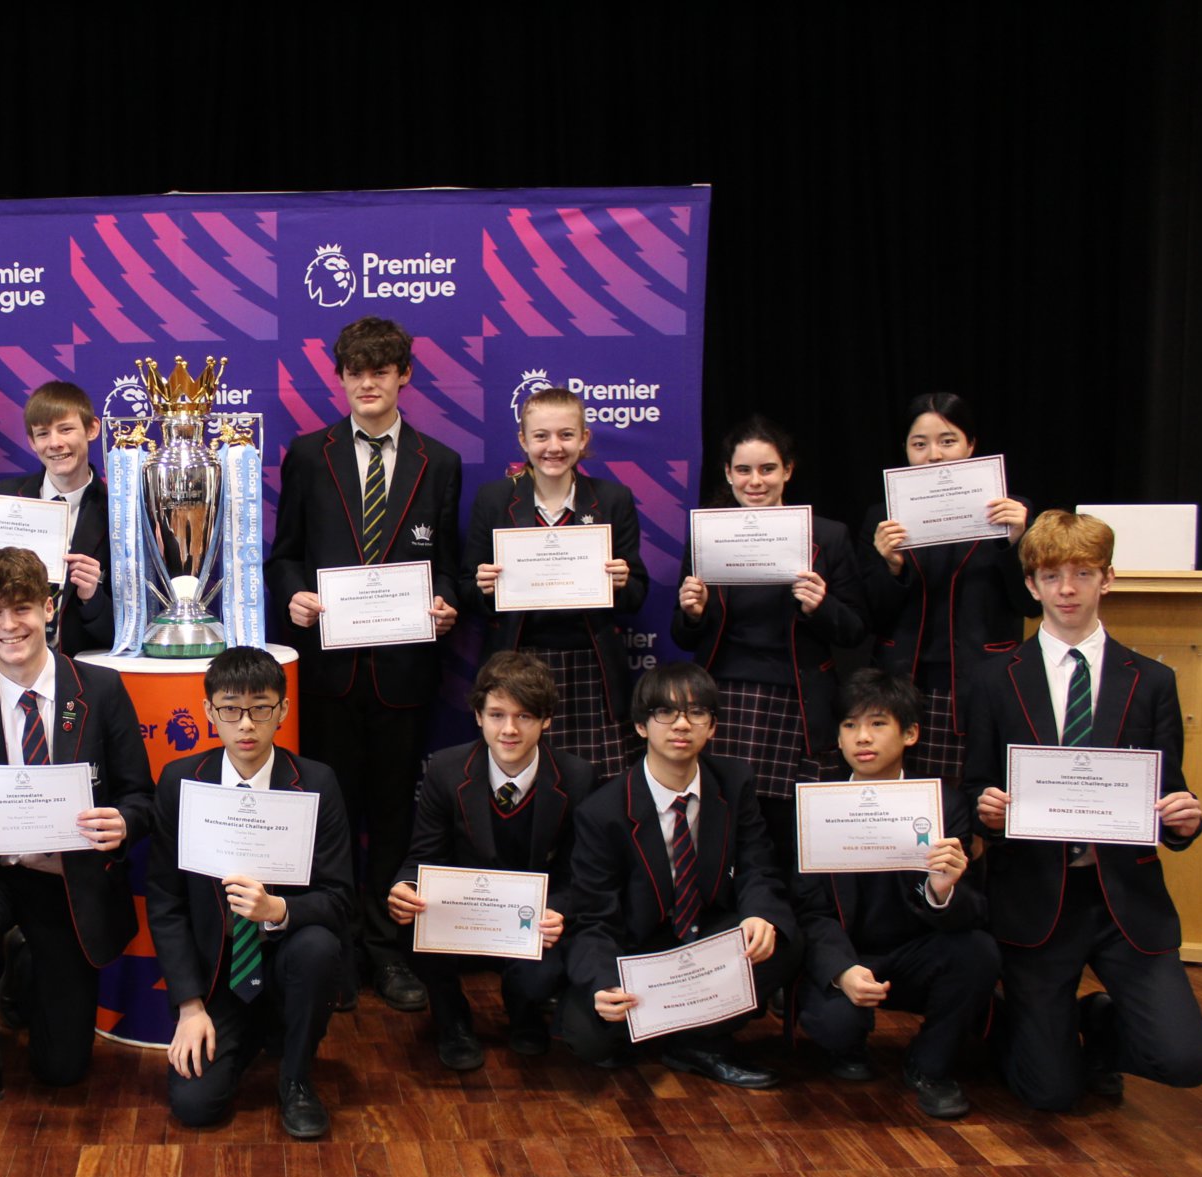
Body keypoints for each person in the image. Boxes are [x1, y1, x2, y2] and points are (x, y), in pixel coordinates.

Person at [967, 510, 1202, 1109]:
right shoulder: (994, 678)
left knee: (1186, 1061)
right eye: (1052, 576)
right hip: (1036, 896)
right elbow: (975, 784)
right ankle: (1024, 1029)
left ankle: (1100, 1019)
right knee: (1048, 1094)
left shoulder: (1151, 679)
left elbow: (1167, 791)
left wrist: (1185, 820)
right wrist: (985, 809)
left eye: (1082, 573)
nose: (1067, 589)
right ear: (1031, 585)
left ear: (1108, 579)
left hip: (1123, 896)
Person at [266, 315, 461, 1012]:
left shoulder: (439, 461)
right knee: (329, 816)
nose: (369, 382)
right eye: (356, 371)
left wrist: (444, 601)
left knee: (393, 817)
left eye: (382, 370)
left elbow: (452, 566)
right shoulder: (308, 454)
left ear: (404, 375)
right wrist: (293, 595)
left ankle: (387, 949)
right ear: (341, 377)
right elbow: (284, 551)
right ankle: (337, 947)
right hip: (328, 673)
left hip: (405, 671)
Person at [0, 548, 155, 1135]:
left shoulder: (100, 691)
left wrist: (124, 823)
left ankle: (28, 969)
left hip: (67, 881)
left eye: (24, 608)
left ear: (50, 609)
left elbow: (141, 796)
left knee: (63, 1072)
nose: (10, 625)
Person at [561, 662, 801, 1088]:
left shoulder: (733, 781)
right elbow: (594, 919)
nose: (682, 725)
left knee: (780, 939)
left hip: (706, 938)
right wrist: (602, 983)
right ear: (641, 726)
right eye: (665, 713)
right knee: (590, 1039)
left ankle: (689, 1038)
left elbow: (757, 865)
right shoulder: (602, 812)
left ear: (712, 727)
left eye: (697, 713)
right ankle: (694, 1032)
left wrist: (759, 912)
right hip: (642, 951)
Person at [148, 647, 352, 1139]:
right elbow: (166, 901)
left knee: (319, 945)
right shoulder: (181, 782)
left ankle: (296, 1078)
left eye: (261, 708)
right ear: (208, 712)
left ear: (282, 711)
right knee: (195, 1106)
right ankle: (247, 1038)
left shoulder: (315, 782)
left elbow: (340, 900)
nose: (246, 724)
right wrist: (190, 1006)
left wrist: (277, 909)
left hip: (286, 969)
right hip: (218, 979)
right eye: (230, 709)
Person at [792, 669, 996, 1119]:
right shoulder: (816, 804)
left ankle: (930, 1067)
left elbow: (977, 911)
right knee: (835, 1025)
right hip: (850, 954)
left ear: (910, 734)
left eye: (878, 723)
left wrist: (943, 891)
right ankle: (848, 1046)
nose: (862, 737)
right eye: (849, 725)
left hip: (916, 954)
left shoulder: (943, 803)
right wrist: (842, 970)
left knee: (977, 952)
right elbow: (810, 908)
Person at [673, 416, 868, 864]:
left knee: (787, 831)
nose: (755, 481)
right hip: (725, 697)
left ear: (788, 471)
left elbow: (856, 629)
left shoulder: (828, 537)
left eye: (767, 469)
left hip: (797, 702)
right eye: (744, 470)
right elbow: (683, 638)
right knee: (723, 822)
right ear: (727, 473)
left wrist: (822, 606)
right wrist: (691, 612)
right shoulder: (709, 535)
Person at [388, 651, 585, 1071]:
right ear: (478, 715)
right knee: (412, 924)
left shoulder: (577, 777)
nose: (509, 729)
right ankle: (453, 1020)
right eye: (496, 714)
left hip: (530, 927)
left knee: (546, 968)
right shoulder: (446, 769)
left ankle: (525, 1011)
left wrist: (560, 911)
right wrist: (404, 888)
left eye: (524, 716)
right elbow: (423, 856)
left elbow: (579, 874)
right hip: (464, 920)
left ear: (546, 719)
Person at [466, 386, 647, 784]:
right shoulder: (495, 500)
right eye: (541, 436)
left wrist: (621, 581)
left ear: (584, 439)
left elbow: (637, 596)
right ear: (523, 441)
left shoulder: (613, 499)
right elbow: (468, 594)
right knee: (522, 785)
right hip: (515, 663)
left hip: (589, 666)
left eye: (566, 435)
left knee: (596, 790)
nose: (554, 447)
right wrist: (481, 587)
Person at [861, 392, 1037, 780]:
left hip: (982, 680)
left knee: (976, 801)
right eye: (919, 444)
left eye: (947, 441)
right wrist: (890, 567)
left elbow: (1030, 604)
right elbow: (870, 615)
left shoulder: (1011, 511)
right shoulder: (884, 518)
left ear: (971, 445)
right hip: (903, 684)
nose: (933, 455)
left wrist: (1017, 542)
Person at [0, 381, 112, 669]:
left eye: (65, 429)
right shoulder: (3, 496)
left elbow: (126, 632)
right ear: (31, 441)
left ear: (92, 429)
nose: (54, 443)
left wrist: (92, 596)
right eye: (43, 433)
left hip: (77, 675)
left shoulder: (116, 513)